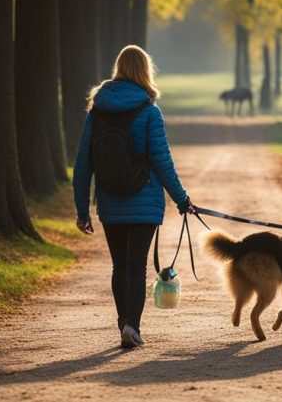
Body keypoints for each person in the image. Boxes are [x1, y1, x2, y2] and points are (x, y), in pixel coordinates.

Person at [72, 45, 192, 349]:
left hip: (111, 199)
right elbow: (162, 161)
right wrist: (181, 199)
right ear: (145, 70)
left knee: (120, 267)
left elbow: (83, 161)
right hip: (144, 200)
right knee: (136, 266)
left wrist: (82, 209)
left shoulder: (97, 111)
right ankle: (132, 326)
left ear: (119, 68)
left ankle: (122, 322)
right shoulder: (149, 111)